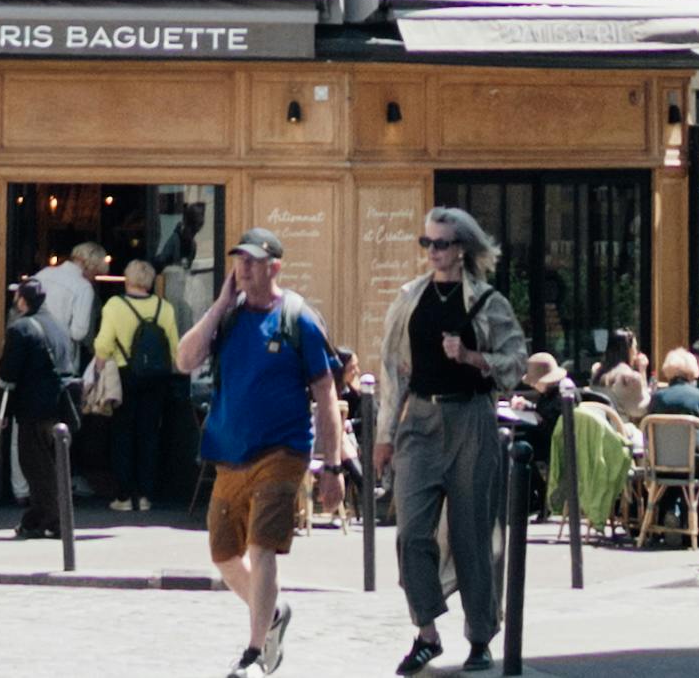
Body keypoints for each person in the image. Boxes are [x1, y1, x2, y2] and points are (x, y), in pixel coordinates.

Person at [178, 225, 345, 678]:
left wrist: (333, 466)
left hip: (282, 451)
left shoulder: (298, 318)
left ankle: (254, 652)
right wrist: (218, 304)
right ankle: (271, 615)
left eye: (253, 261)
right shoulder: (228, 318)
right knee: (224, 556)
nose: (244, 268)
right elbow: (185, 359)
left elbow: (326, 393)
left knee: (262, 545)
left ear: (275, 266)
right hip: (229, 452)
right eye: (240, 260)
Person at [375, 204, 527, 674]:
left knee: (472, 537)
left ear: (461, 248)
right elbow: (391, 371)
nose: (432, 251)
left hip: (471, 421)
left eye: (440, 243)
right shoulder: (409, 299)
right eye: (427, 243)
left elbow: (516, 361)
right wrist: (384, 435)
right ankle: (426, 632)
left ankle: (480, 637)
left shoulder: (487, 302)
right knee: (411, 533)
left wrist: (472, 357)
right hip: (419, 419)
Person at [92, 256, 180, 516]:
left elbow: (103, 345)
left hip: (124, 375)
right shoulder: (164, 308)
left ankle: (123, 495)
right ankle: (144, 495)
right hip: (157, 378)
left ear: (127, 279)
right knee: (149, 435)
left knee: (122, 434)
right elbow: (175, 348)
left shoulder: (114, 306)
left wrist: (97, 373)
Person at [0, 279, 74, 538]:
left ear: (22, 300)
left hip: (32, 408)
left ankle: (52, 520)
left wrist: (2, 412)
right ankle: (37, 519)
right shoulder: (58, 326)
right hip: (59, 407)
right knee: (52, 465)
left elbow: (8, 373)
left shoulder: (20, 329)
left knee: (35, 466)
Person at [31, 237, 103, 379]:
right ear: (91, 266)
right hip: (61, 360)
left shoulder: (43, 274)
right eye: (96, 272)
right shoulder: (83, 287)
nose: (95, 278)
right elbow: (78, 332)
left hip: (32, 348)